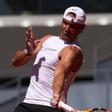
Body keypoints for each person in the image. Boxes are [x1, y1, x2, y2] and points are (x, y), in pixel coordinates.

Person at [12, 6, 86, 112]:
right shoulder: (47, 39)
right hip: (28, 103)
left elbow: (61, 70)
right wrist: (27, 52)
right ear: (62, 21)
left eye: (73, 26)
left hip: (49, 106)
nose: (67, 28)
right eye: (65, 23)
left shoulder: (73, 50)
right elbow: (15, 62)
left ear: (82, 28)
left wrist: (56, 95)